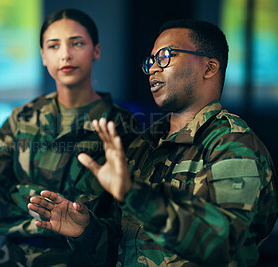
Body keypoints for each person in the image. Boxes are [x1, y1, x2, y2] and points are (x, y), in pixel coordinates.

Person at [28, 19, 278, 266]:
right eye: (150, 61)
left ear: (210, 68)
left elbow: (223, 245)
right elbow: (125, 250)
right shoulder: (143, 146)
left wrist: (134, 194)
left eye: (166, 56)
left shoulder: (232, 144)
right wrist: (85, 230)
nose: (154, 69)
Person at [0, 8, 138, 267]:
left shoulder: (122, 127)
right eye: (53, 46)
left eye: (77, 43)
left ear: (96, 50)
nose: (65, 55)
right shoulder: (22, 118)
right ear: (42, 56)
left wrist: (20, 195)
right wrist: (53, 211)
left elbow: (128, 226)